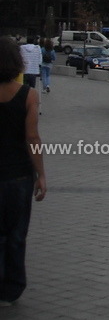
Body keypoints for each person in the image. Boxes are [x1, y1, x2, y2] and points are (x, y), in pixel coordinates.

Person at [0, 36, 47, 306]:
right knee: (16, 234)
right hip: (18, 175)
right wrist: (41, 174)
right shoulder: (28, 95)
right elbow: (32, 137)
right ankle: (12, 288)